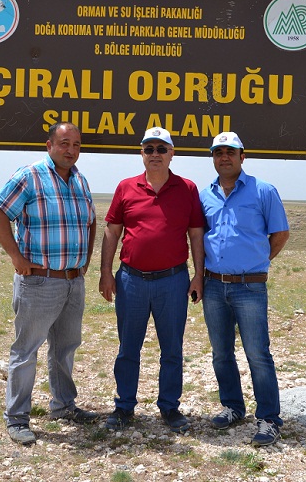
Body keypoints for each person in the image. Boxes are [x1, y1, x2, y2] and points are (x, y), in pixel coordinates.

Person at [0, 121, 98, 446]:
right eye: (64, 143)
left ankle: (63, 406)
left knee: (65, 349)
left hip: (72, 283)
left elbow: (91, 222)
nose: (71, 150)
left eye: (76, 145)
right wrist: (15, 257)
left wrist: (86, 261)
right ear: (49, 145)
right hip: (39, 282)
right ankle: (17, 417)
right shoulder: (30, 176)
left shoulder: (80, 180)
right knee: (26, 351)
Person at [99, 126, 205, 433]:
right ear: (141, 154)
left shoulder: (187, 189)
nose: (155, 154)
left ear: (172, 153)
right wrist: (106, 272)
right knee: (128, 347)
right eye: (149, 149)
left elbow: (196, 234)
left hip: (172, 281)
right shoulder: (126, 187)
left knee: (172, 349)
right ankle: (123, 408)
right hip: (131, 280)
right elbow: (112, 231)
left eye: (161, 149)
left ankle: (170, 408)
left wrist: (198, 274)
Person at [199, 132, 290, 446]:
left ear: (242, 156)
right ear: (213, 157)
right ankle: (232, 407)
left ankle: (268, 418)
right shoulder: (204, 195)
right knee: (221, 354)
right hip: (213, 286)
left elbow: (280, 234)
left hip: (249, 287)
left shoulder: (263, 191)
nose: (224, 157)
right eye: (218, 152)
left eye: (230, 152)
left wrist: (259, 260)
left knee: (257, 354)